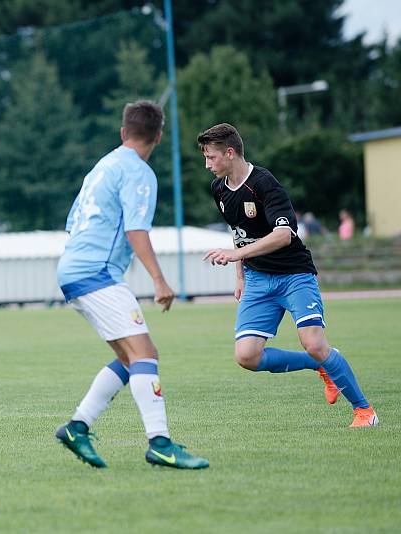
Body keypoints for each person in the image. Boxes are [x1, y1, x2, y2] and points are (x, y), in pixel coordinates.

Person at [54, 101, 209, 470]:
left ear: (124, 132)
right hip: (97, 272)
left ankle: (77, 427)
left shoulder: (102, 167)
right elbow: (135, 229)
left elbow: (74, 222)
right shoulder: (138, 172)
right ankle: (160, 443)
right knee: (146, 354)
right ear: (157, 136)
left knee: (128, 358)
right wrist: (159, 279)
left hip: (74, 268)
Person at [197, 123, 377, 428]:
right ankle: (317, 366)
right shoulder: (219, 190)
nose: (207, 164)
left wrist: (236, 256)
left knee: (316, 344)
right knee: (247, 356)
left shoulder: (264, 183)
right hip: (257, 279)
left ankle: (364, 411)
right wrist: (240, 276)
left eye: (212, 157)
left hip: (293, 275)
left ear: (230, 153)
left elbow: (283, 234)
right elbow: (240, 235)